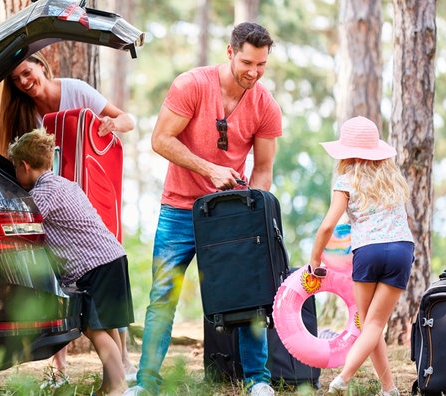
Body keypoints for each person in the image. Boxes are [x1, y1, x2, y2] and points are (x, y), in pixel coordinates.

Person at [124, 22, 282, 396]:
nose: (254, 72)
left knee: (249, 293)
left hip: (231, 215)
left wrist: (251, 216)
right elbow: (160, 139)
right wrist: (209, 168)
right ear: (229, 53)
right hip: (179, 209)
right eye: (247, 62)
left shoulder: (266, 105)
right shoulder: (191, 85)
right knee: (163, 296)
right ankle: (146, 384)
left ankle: (257, 381)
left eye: (261, 65)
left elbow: (262, 171)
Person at [8, 129, 135, 396]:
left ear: (25, 166)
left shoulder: (42, 195)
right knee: (106, 327)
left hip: (93, 267)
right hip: (113, 257)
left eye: (15, 169)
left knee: (93, 328)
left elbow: (20, 226)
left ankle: (119, 388)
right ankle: (112, 384)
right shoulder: (66, 184)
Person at [308, 116, 414, 396]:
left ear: (345, 153)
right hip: (402, 249)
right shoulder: (393, 178)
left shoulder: (346, 180)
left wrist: (315, 260)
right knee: (374, 325)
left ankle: (342, 378)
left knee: (370, 323)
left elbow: (328, 225)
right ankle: (389, 388)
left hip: (368, 250)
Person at [0, 51, 134, 157]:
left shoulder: (76, 90)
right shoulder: (20, 110)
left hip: (84, 177)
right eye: (16, 79)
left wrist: (113, 124)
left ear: (41, 65)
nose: (23, 82)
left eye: (27, 73)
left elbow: (128, 121)